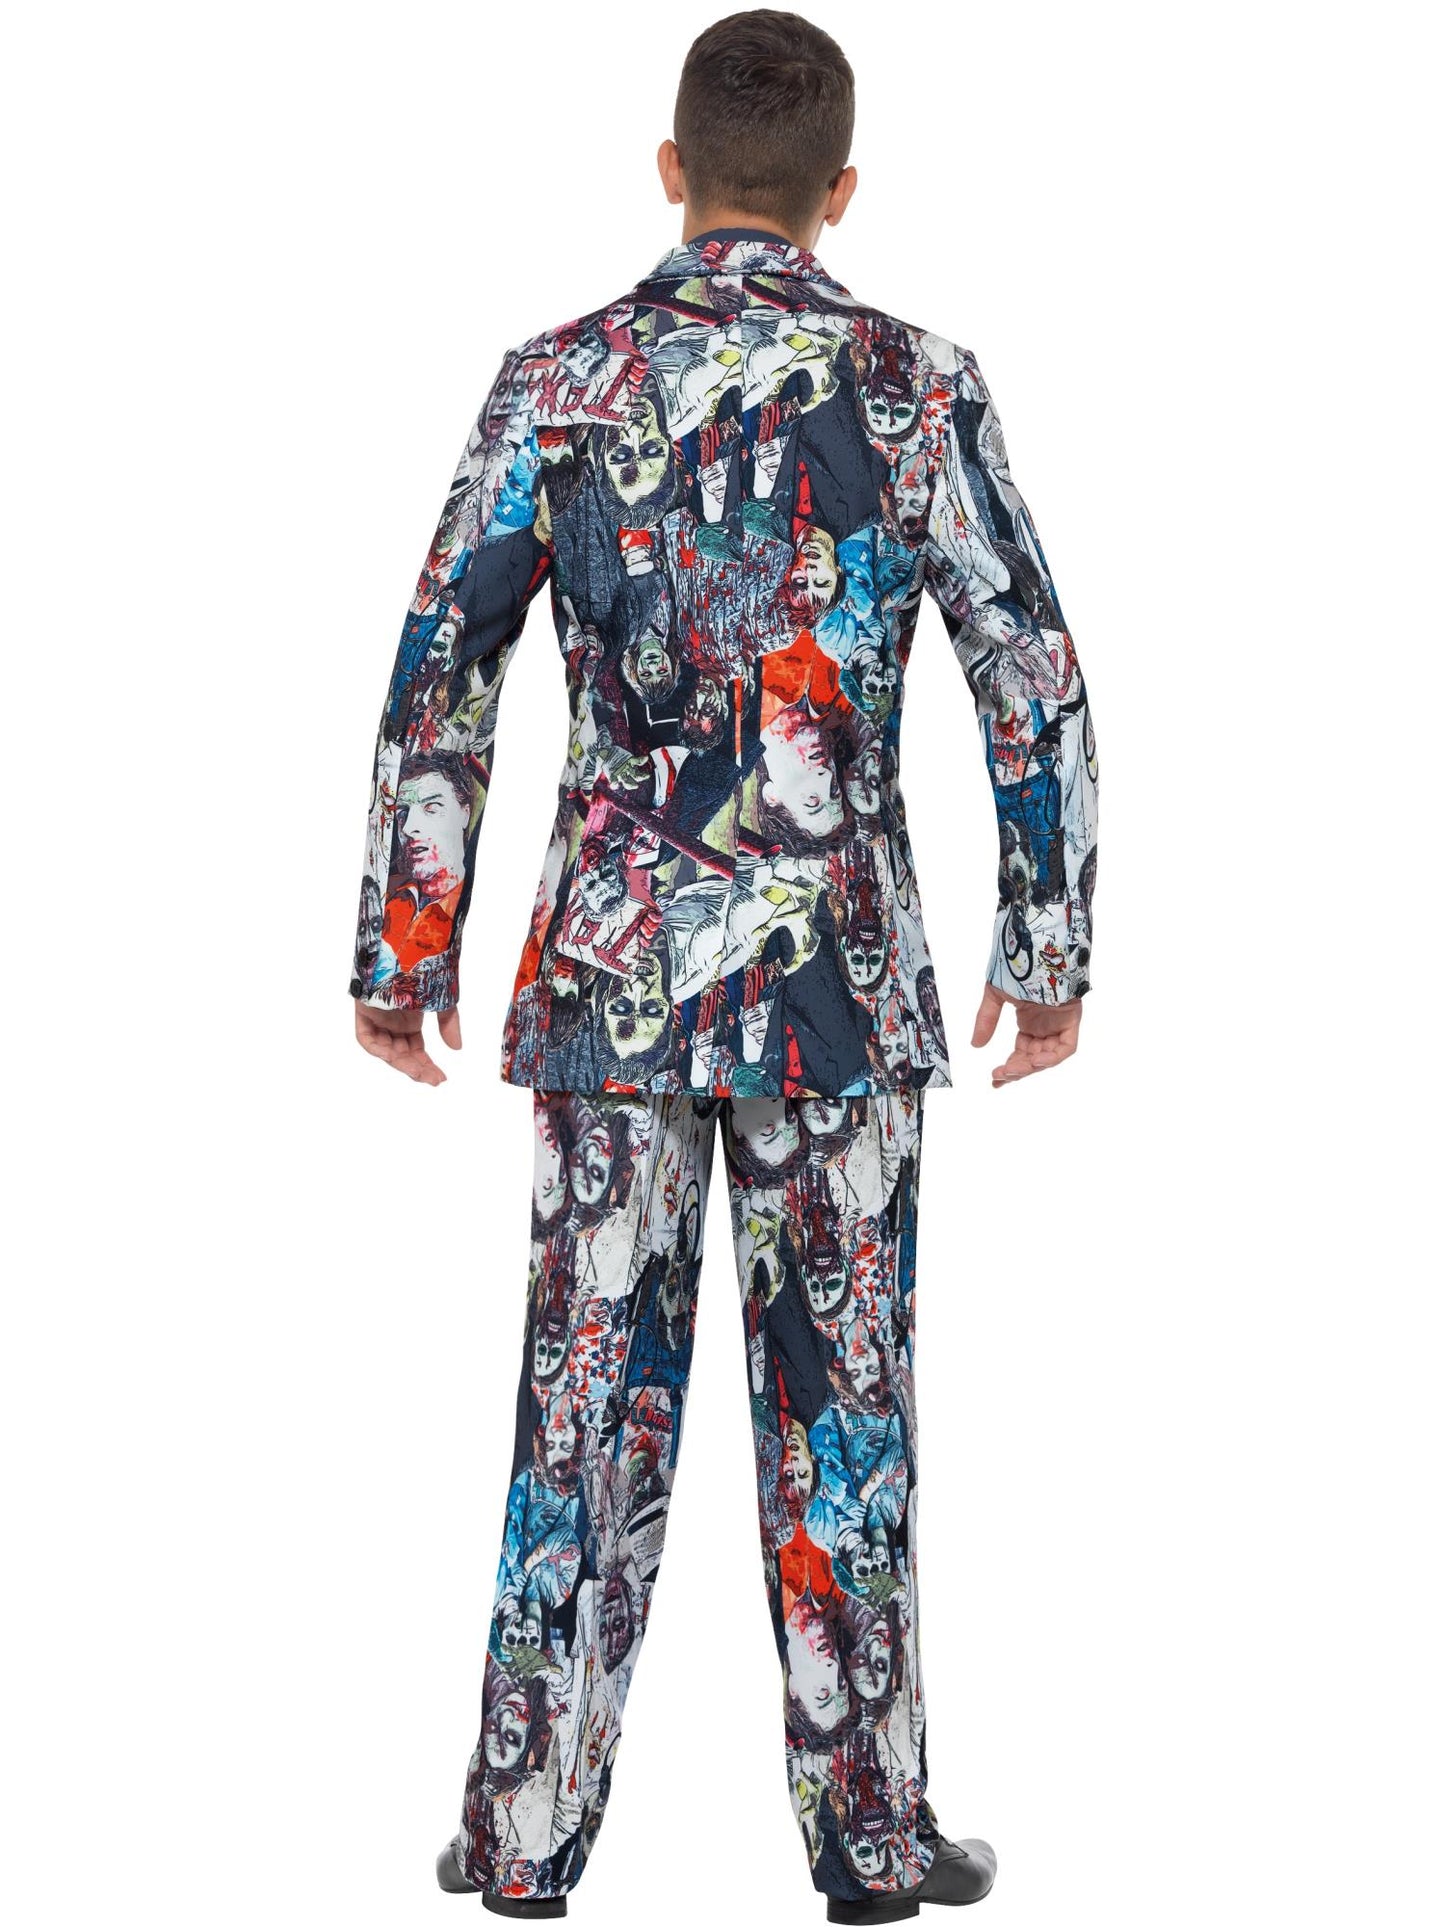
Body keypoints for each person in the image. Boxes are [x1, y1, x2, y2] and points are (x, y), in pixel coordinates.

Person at [347, 10, 1099, 1920]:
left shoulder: (557, 380)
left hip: (608, 980)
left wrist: (404, 942)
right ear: (842, 193)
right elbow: (1030, 674)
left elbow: (444, 668)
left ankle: (522, 1835)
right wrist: (1048, 942)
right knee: (845, 1411)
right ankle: (872, 1843)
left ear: (669, 170)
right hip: (837, 985)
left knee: (583, 1394)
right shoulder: (917, 386)